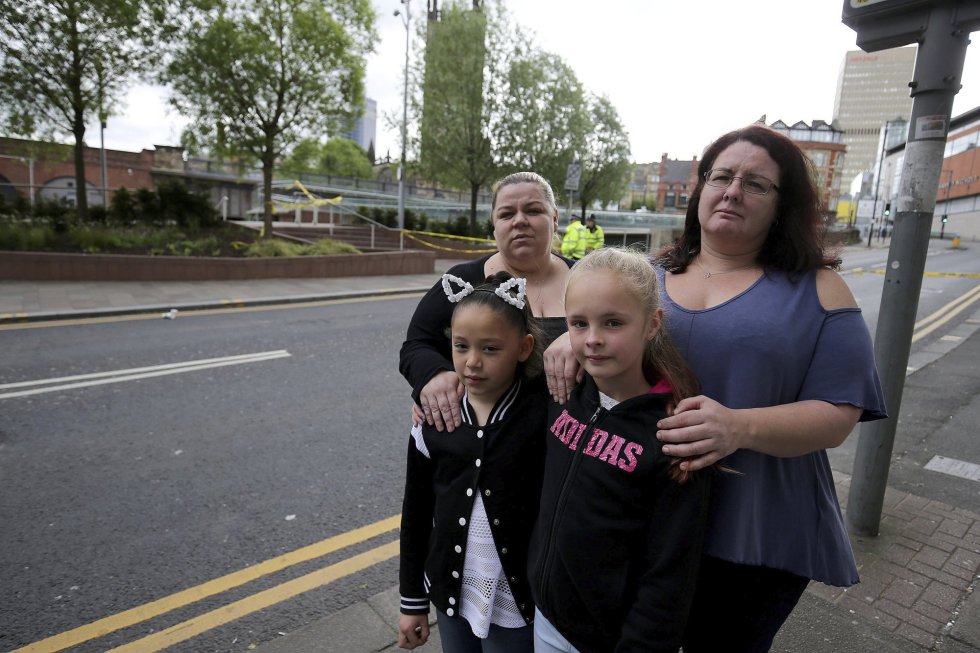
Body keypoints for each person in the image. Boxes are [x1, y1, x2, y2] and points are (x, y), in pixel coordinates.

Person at [544, 124, 886, 652]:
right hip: (639, 519)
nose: (732, 191)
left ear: (782, 203)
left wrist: (739, 427)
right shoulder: (644, 274)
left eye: (756, 184)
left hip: (755, 532)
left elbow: (839, 414)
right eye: (720, 176)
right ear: (700, 189)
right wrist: (571, 341)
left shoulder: (821, 290)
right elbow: (592, 322)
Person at [529, 247, 711, 653]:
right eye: (579, 323)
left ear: (652, 324)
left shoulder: (673, 434)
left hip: (606, 639)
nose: (592, 340)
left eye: (612, 323)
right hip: (547, 616)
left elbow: (669, 574)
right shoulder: (567, 394)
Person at [399, 272, 547, 652]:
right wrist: (412, 600)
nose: (472, 363)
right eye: (461, 346)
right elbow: (415, 513)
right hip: (451, 595)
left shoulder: (544, 413)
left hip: (517, 600)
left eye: (491, 349)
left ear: (524, 347)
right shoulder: (434, 417)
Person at [400, 171, 573, 433]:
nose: (520, 221)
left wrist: (581, 336)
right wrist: (433, 375)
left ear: (555, 218)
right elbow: (416, 344)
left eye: (533, 210)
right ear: (494, 225)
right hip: (489, 450)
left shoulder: (587, 281)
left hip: (571, 448)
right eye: (506, 214)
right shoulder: (460, 281)